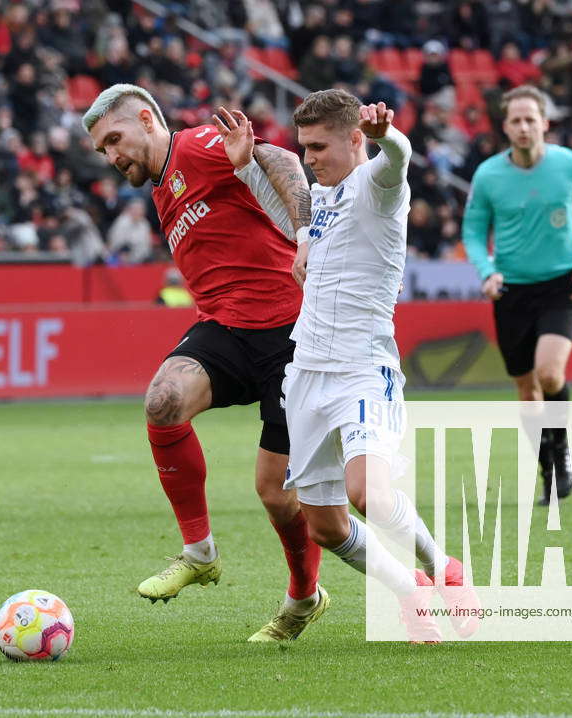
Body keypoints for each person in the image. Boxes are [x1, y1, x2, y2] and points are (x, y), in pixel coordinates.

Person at [216, 89, 479, 642]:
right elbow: (297, 223)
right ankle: (410, 594)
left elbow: (399, 162)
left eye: (319, 147)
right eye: (304, 147)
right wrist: (245, 169)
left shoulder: (377, 187)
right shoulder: (322, 196)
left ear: (356, 139)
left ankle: (444, 569)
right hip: (306, 374)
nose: (309, 158)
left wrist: (391, 138)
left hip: (363, 367)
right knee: (327, 526)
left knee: (369, 495)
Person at [82, 84, 324, 642]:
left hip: (290, 333)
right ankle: (199, 552)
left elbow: (281, 158)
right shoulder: (164, 182)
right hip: (227, 329)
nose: (112, 156)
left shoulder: (196, 147)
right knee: (163, 402)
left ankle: (303, 598)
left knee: (276, 495)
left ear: (147, 119)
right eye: (103, 150)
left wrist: (308, 235)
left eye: (115, 140)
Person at [461, 85, 572, 504]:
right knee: (527, 390)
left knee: (549, 373)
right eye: (516, 121)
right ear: (505, 127)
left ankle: (563, 457)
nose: (524, 127)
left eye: (531, 119)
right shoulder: (488, 175)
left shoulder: (570, 164)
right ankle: (550, 469)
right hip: (511, 291)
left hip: (563, 285)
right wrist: (486, 271)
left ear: (544, 123)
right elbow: (473, 230)